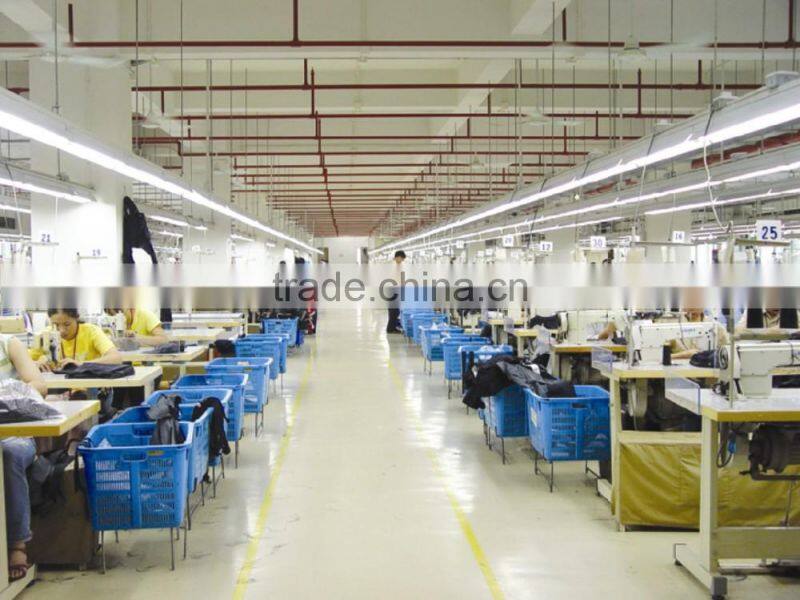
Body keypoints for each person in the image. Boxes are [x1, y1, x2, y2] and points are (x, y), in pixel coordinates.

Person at [0, 332, 47, 581]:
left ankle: (17, 543)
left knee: (9, 454)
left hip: (12, 432)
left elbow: (40, 385)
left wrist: (9, 394)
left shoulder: (9, 344)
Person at [32, 309, 122, 371]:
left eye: (67, 324)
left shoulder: (91, 331)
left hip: (90, 387)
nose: (61, 330)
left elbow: (116, 358)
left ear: (76, 318)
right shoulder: (46, 335)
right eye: (55, 325)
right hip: (60, 388)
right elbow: (27, 362)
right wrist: (37, 364)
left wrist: (81, 364)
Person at [386, 250, 406, 334]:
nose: (402, 260)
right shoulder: (392, 265)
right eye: (402, 258)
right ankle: (390, 329)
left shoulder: (398, 265)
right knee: (394, 310)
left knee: (395, 310)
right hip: (392, 289)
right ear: (398, 257)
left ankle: (392, 327)